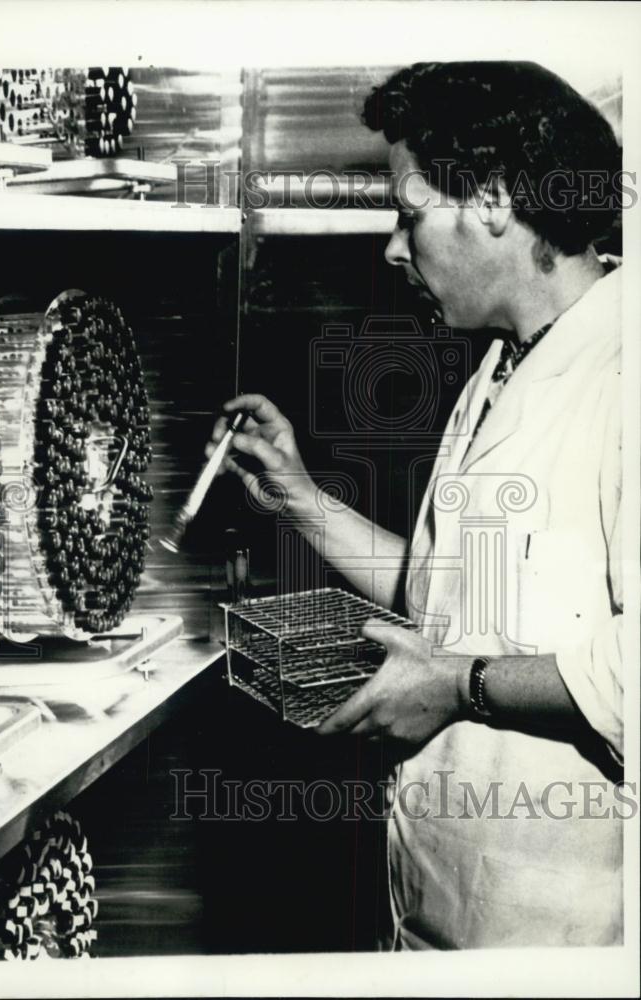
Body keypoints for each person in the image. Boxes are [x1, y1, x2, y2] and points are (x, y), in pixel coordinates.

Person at [206, 62, 624, 949]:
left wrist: (458, 686)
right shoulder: (505, 362)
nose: (394, 248)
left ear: (495, 200)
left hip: (563, 937)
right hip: (441, 912)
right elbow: (453, 597)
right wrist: (301, 499)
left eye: (408, 211)